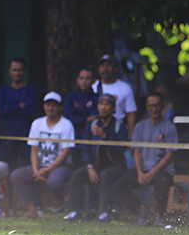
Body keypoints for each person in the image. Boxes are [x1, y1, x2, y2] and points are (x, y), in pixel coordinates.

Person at [10, 91, 75, 218]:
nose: (50, 108)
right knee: (16, 175)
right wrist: (35, 170)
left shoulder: (66, 124)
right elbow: (34, 149)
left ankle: (59, 203)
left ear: (60, 107)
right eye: (48, 105)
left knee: (54, 181)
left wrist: (48, 169)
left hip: (60, 166)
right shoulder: (37, 123)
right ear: (44, 106)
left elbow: (66, 152)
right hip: (40, 165)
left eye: (54, 105)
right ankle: (32, 209)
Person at [64, 93, 128, 222]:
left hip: (115, 167)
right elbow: (85, 148)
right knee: (77, 174)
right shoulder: (91, 125)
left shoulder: (119, 126)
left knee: (105, 175)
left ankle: (105, 212)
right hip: (94, 166)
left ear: (113, 108)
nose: (103, 107)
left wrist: (105, 137)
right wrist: (89, 167)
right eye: (101, 104)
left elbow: (120, 151)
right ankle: (74, 211)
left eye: (107, 104)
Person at [119, 91, 178, 226]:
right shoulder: (140, 127)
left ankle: (161, 216)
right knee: (119, 185)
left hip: (163, 169)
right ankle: (141, 209)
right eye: (151, 105)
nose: (154, 108)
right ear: (146, 107)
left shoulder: (170, 127)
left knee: (162, 182)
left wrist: (151, 174)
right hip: (143, 168)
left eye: (157, 105)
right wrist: (140, 172)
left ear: (162, 106)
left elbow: (169, 154)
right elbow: (137, 152)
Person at [0, 58, 39, 162]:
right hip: (7, 135)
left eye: (19, 70)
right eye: (14, 70)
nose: (17, 73)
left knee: (26, 166)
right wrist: (19, 106)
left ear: (24, 72)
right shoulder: (3, 91)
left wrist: (9, 109)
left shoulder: (31, 90)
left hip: (25, 135)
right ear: (9, 72)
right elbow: (1, 112)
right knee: (7, 167)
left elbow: (29, 112)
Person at [93, 54, 138, 135]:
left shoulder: (125, 88)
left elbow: (131, 114)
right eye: (102, 65)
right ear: (98, 69)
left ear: (115, 69)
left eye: (108, 65)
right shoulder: (93, 87)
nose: (105, 68)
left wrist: (132, 136)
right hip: (96, 130)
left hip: (117, 132)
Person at [63, 67, 98, 137]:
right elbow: (67, 117)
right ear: (77, 80)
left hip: (91, 135)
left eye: (87, 78)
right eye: (81, 78)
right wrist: (86, 119)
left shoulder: (97, 98)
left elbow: (94, 118)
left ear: (93, 81)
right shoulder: (71, 97)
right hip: (72, 135)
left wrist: (78, 119)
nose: (84, 81)